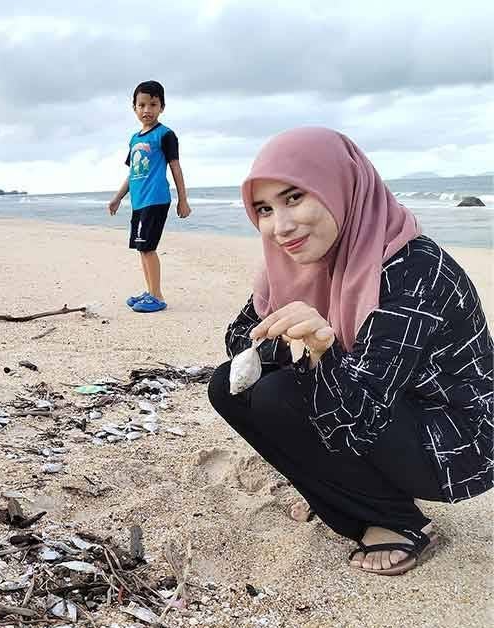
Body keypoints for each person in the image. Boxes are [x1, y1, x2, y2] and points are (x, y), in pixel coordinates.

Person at [208, 127, 493, 576]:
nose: (280, 227)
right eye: (265, 209)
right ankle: (347, 501)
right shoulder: (300, 261)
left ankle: (398, 521)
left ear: (342, 188)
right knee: (227, 387)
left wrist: (319, 350)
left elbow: (356, 423)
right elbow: (242, 343)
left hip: (455, 439)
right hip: (378, 409)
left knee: (279, 395)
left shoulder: (414, 269)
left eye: (295, 197)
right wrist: (290, 330)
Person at [107, 80, 191, 313]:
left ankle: (157, 296)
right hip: (139, 201)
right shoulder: (135, 139)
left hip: (156, 199)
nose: (147, 110)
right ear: (134, 107)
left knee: (148, 248)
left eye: (153, 104)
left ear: (162, 106)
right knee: (141, 248)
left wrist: (183, 199)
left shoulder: (165, 135)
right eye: (142, 105)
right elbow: (132, 173)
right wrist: (117, 198)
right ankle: (150, 291)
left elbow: (175, 167)